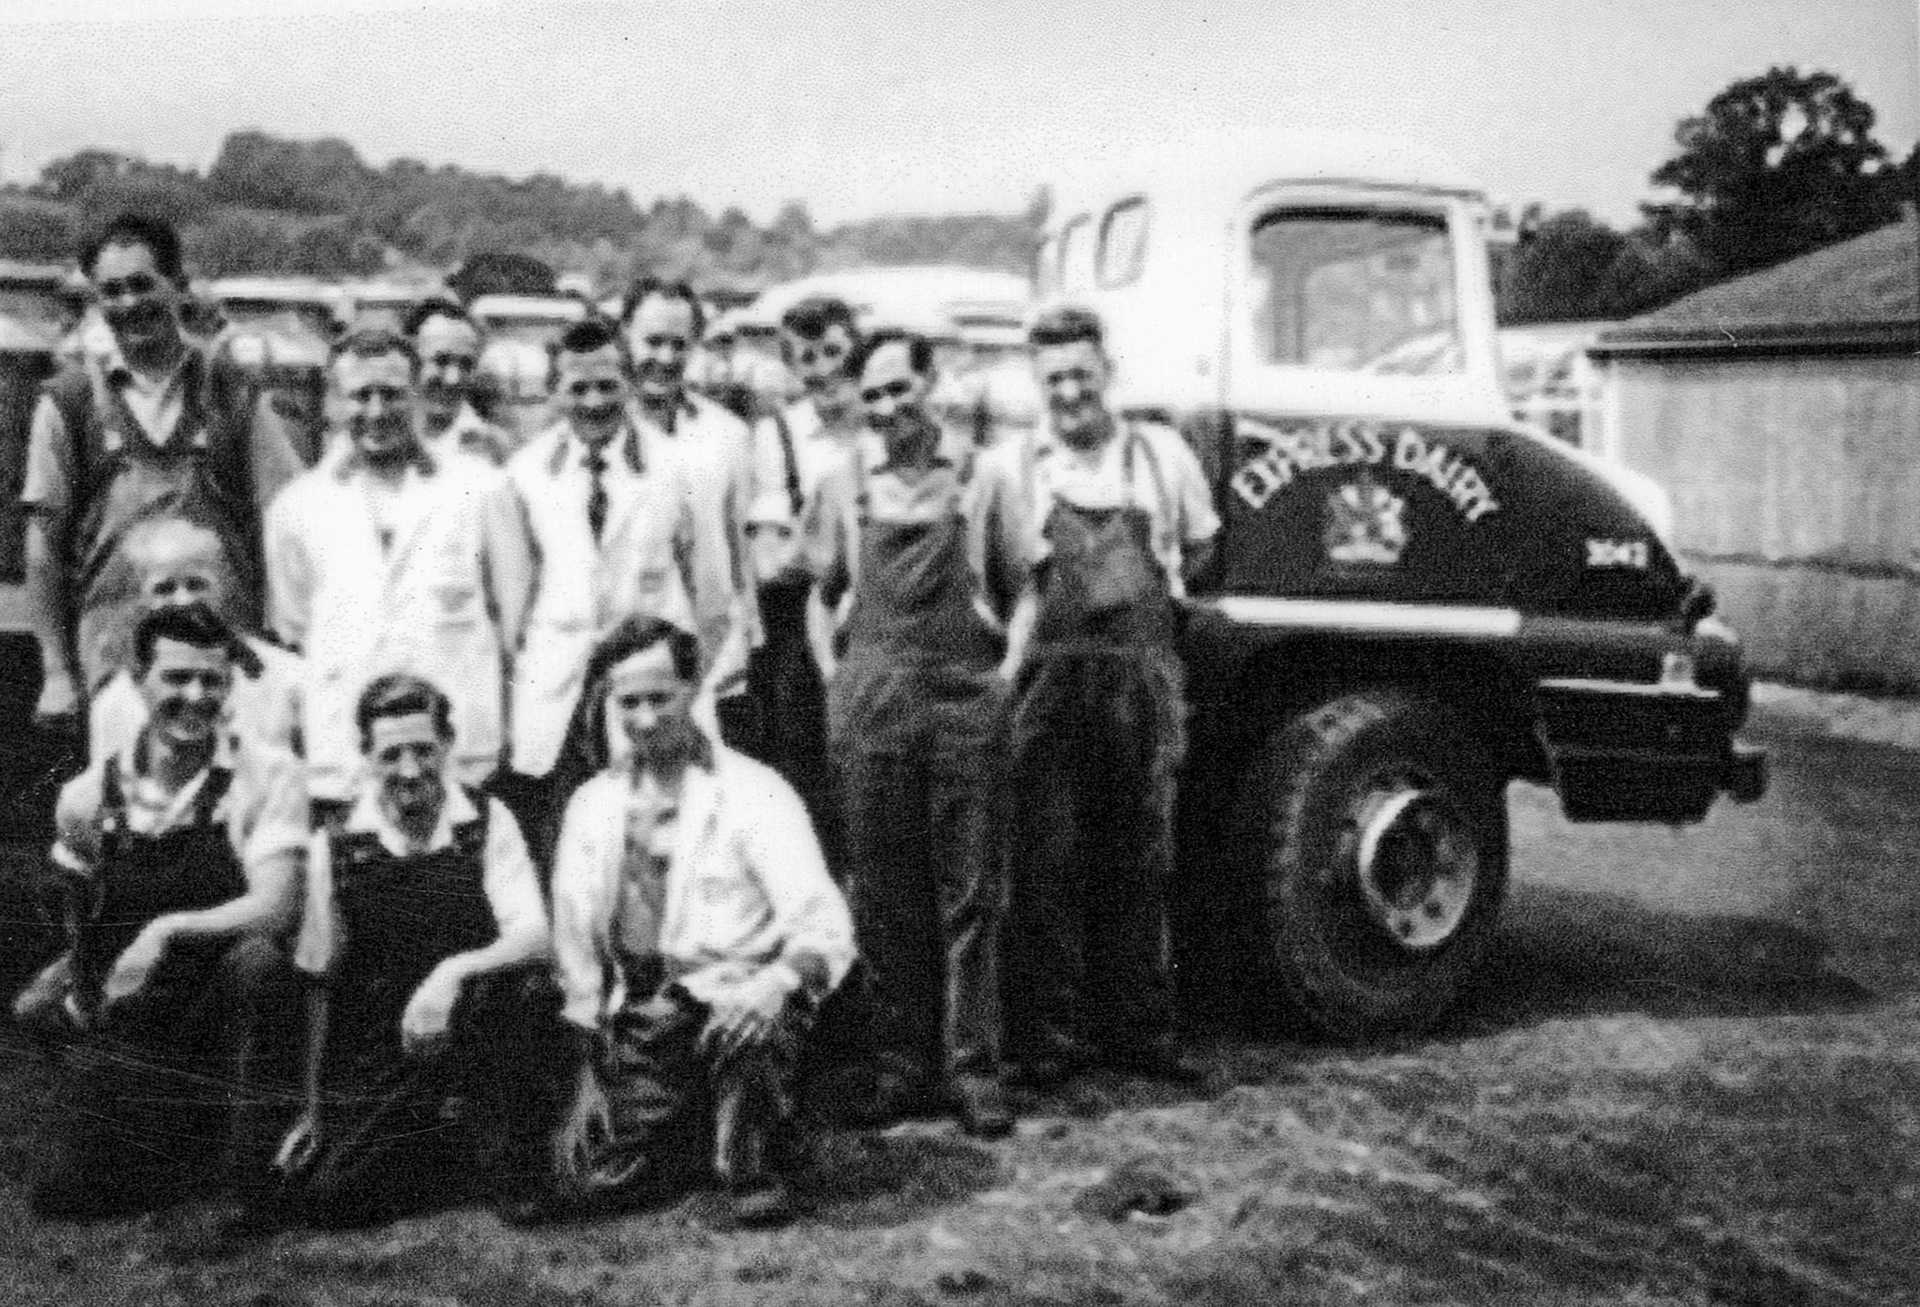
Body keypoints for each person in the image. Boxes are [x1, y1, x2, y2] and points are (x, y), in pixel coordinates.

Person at [542, 618, 855, 1227]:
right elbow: (577, 958)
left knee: (750, 1036)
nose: (645, 717)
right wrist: (586, 1074)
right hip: (646, 1015)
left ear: (693, 690)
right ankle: (703, 1123)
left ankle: (750, 1155)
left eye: (661, 697)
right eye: (628, 701)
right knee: (583, 1181)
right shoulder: (593, 807)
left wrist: (772, 987)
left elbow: (825, 927)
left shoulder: (755, 792)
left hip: (738, 1000)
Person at [19, 602, 306, 1220]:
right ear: (138, 679)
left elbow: (277, 906)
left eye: (213, 679)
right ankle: (147, 1125)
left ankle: (244, 1164)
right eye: (177, 678)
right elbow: (81, 909)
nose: (196, 696)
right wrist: (72, 981)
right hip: (138, 1014)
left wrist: (167, 930)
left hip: (221, 1007)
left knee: (261, 962)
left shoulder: (266, 775)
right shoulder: (87, 796)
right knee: (69, 1196)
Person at [804, 331, 1024, 1136]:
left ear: (931, 386)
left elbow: (1025, 587)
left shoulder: (984, 478)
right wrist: (833, 672)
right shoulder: (841, 485)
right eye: (873, 398)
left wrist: (1007, 676)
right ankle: (900, 1066)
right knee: (884, 891)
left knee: (971, 894)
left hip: (965, 702)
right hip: (874, 704)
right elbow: (820, 590)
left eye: (901, 389)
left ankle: (973, 1069)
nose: (889, 409)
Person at [1003, 306, 1220, 1088]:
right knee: (1046, 857)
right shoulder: (1015, 466)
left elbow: (1199, 545)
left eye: (1081, 375)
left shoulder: (1160, 457)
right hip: (1051, 682)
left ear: (1108, 373)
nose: (1069, 392)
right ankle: (1053, 1037)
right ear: (1037, 384)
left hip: (1141, 679)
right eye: (1053, 378)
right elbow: (997, 578)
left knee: (1142, 856)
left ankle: (1142, 1030)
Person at [275, 674, 559, 1226]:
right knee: (331, 1201)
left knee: (526, 989)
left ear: (449, 746)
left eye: (424, 750)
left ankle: (506, 1151)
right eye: (391, 754)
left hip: (477, 1020)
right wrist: (312, 1111)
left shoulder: (486, 820)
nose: (409, 770)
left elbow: (534, 937)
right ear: (364, 756)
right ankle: (445, 1143)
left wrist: (452, 973)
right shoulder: (334, 845)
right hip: (388, 1038)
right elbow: (320, 983)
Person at [20, 212, 308, 728]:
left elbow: (288, 519)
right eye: (111, 291)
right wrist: (56, 670)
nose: (129, 303)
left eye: (142, 284)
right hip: (114, 661)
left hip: (221, 659)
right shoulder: (70, 401)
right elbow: (43, 544)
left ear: (177, 285)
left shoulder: (231, 391)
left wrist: (283, 636)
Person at [500, 316, 742, 869]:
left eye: (607, 385)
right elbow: (513, 609)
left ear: (630, 384)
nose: (592, 402)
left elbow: (713, 600)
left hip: (649, 692)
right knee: (561, 852)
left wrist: (683, 689)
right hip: (557, 696)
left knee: (656, 849)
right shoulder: (524, 472)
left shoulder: (682, 467)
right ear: (554, 390)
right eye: (577, 387)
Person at [263, 327, 533, 809]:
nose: (376, 411)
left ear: (416, 396)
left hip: (459, 753)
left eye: (391, 394)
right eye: (359, 396)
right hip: (347, 756)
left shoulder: (482, 489)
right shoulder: (298, 506)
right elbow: (295, 628)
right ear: (333, 403)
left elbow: (515, 628)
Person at [736, 296, 868, 842]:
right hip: (804, 631)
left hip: (882, 622)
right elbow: (769, 561)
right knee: (812, 780)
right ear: (791, 367)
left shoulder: (883, 421)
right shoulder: (777, 438)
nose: (824, 370)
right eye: (807, 358)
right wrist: (832, 549)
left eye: (833, 352)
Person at [619, 279, 757, 736]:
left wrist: (742, 649)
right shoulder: (602, 435)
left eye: (678, 344)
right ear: (624, 335)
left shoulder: (728, 435)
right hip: (622, 667)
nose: (664, 358)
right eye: (652, 341)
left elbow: (741, 552)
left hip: (710, 661)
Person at [88, 516, 304, 761]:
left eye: (196, 584)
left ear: (223, 588)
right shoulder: (117, 700)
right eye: (164, 588)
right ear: (141, 599)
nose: (184, 600)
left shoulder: (289, 678)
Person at [405, 299, 516, 465]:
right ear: (408, 361)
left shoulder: (494, 448)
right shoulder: (371, 440)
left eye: (466, 364)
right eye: (441, 361)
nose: (453, 379)